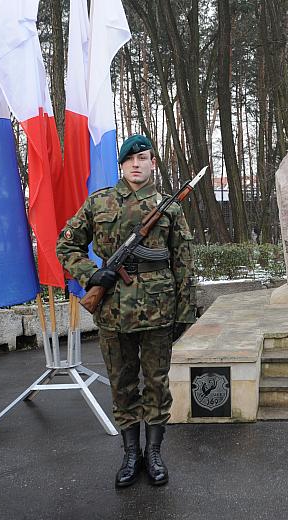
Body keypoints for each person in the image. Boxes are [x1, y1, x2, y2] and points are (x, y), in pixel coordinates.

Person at [57, 134, 196, 488]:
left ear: (152, 163)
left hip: (158, 313)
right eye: (131, 159)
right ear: (122, 164)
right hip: (113, 312)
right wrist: (92, 274)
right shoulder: (99, 202)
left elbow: (183, 263)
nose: (137, 164)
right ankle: (130, 454)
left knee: (157, 384)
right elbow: (66, 244)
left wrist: (185, 312)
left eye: (144, 158)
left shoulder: (169, 207)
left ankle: (154, 453)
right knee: (122, 385)